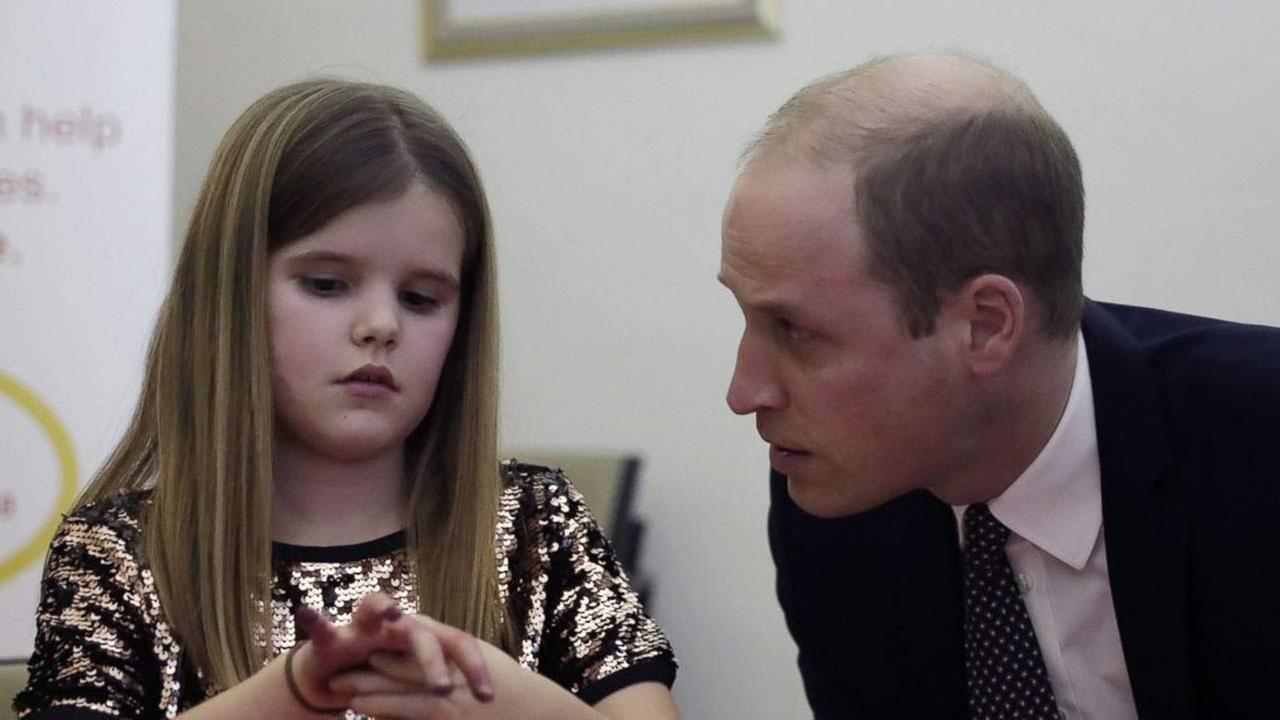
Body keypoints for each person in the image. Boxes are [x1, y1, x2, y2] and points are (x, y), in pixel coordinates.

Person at [15, 79, 679, 720]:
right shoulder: (118, 554)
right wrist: (298, 693)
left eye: (420, 299)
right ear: (229, 295)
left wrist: (495, 696)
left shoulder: (536, 526)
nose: (381, 326)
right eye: (328, 284)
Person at [719, 52, 1280, 719]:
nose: (744, 392)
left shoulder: (1259, 442)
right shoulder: (837, 509)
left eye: (795, 330)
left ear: (986, 326)